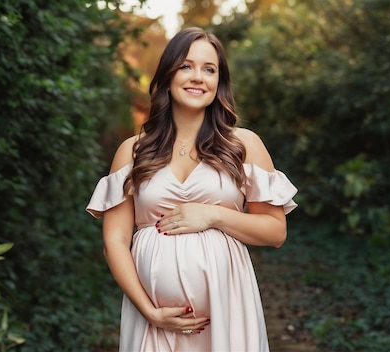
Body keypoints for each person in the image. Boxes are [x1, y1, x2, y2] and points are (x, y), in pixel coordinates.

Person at [86, 27, 297, 352]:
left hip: (226, 308)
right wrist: (150, 311)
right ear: (168, 74)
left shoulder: (243, 145)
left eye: (209, 69)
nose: (198, 77)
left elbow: (275, 231)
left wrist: (212, 215)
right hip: (153, 318)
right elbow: (114, 241)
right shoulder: (132, 151)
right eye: (186, 66)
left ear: (219, 82)